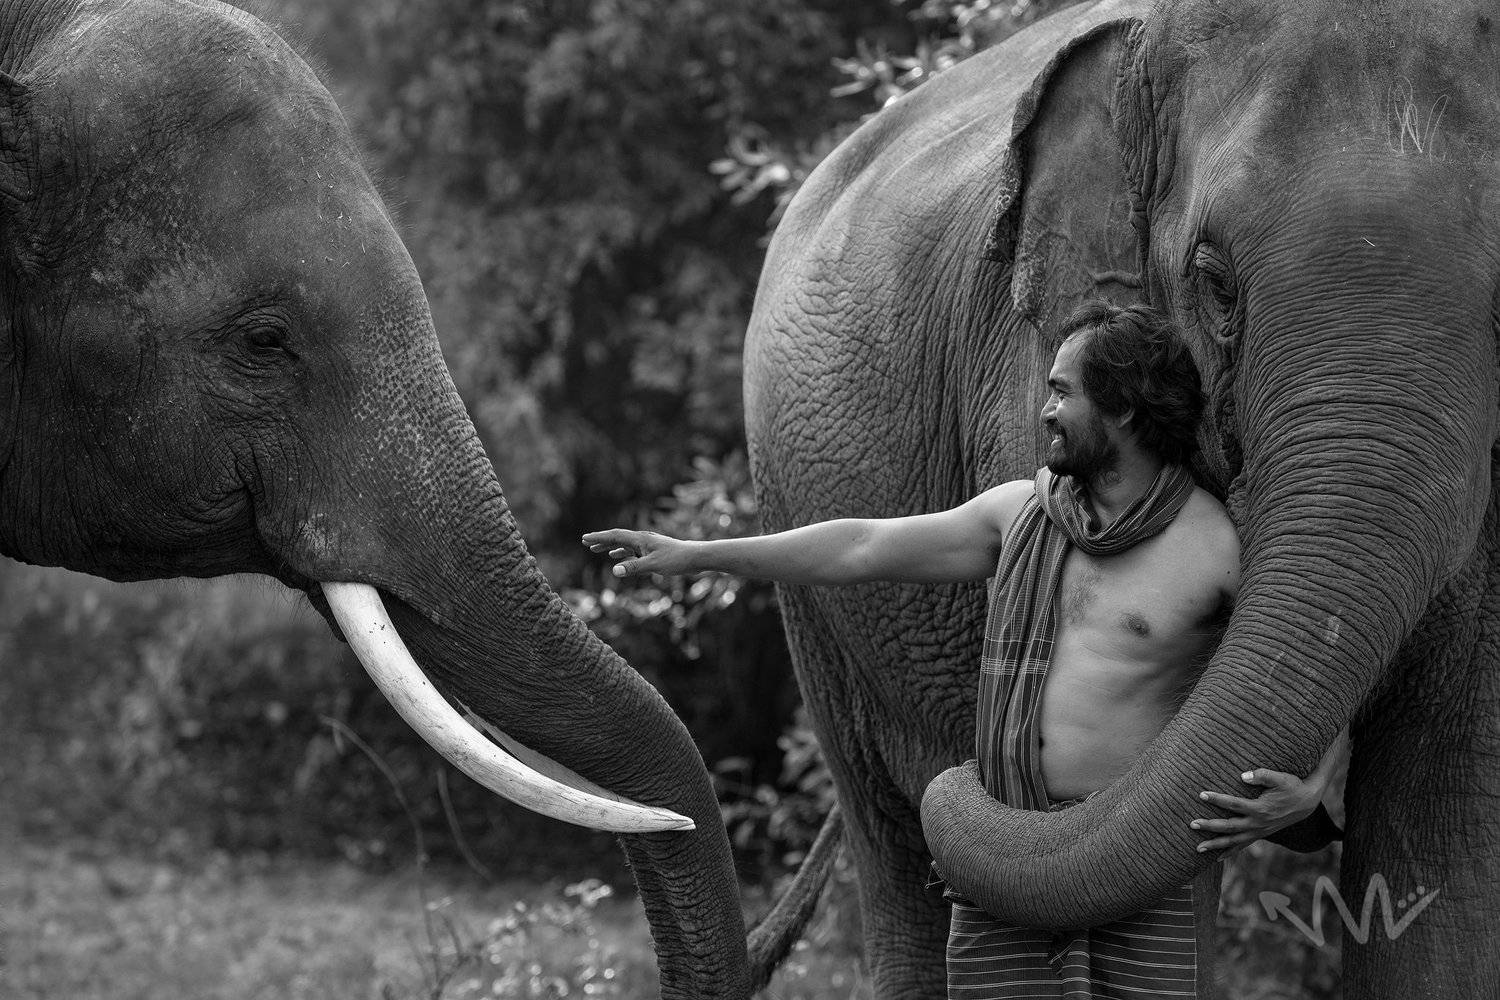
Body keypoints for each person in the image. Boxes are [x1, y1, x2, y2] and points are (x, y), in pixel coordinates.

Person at [584, 301, 1342, 998]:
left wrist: (1314, 789)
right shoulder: (1021, 514)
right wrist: (699, 554)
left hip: (1142, 866)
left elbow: (1322, 654)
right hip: (1002, 858)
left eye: (1063, 392)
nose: (1045, 409)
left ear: (1123, 406)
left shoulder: (1214, 546)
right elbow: (860, 547)